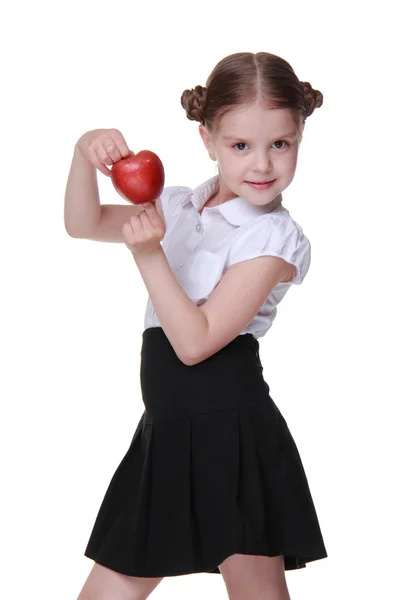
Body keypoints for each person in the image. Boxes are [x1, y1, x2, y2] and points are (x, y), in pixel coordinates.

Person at [64, 51, 327, 600]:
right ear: (207, 140)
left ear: (299, 137)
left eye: (280, 144)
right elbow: (82, 223)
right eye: (240, 146)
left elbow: (195, 342)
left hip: (231, 432)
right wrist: (82, 154)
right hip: (165, 431)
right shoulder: (180, 206)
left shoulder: (272, 238)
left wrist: (148, 255)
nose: (261, 164)